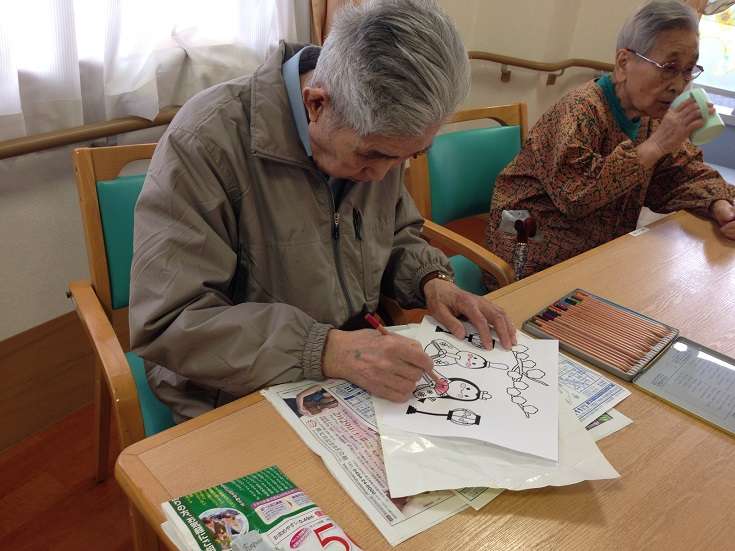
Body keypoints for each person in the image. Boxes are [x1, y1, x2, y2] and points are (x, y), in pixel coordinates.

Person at [129, 0, 516, 424]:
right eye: (372, 156)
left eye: (410, 156)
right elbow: (172, 321)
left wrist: (430, 280)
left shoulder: (374, 133)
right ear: (316, 105)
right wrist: (326, 350)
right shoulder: (204, 142)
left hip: (351, 366)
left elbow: (394, 232)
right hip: (238, 390)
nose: (382, 175)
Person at [485, 0, 735, 284]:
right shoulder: (578, 111)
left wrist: (718, 204)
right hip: (530, 258)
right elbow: (577, 197)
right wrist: (655, 146)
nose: (679, 85)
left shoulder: (651, 118)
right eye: (668, 67)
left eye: (688, 70)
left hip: (593, 260)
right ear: (624, 63)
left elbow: (682, 175)